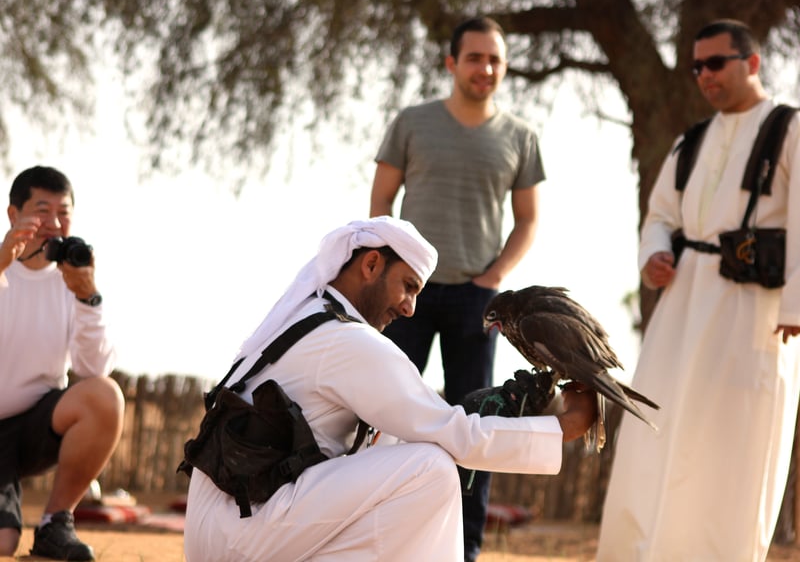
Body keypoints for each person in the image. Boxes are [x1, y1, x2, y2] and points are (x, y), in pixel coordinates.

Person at [183, 216, 597, 562]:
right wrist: (565, 427)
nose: (409, 308)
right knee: (429, 468)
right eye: (409, 286)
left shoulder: (311, 316)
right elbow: (456, 436)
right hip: (239, 534)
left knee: (396, 450)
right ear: (371, 265)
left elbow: (407, 430)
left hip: (226, 527)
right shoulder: (346, 341)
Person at [596, 19, 800, 561]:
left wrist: (796, 301)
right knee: (657, 431)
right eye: (696, 67)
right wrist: (655, 255)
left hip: (756, 306)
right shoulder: (691, 141)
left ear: (751, 62)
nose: (704, 75)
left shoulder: (790, 129)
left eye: (715, 63)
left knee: (738, 439)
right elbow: (659, 214)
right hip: (682, 303)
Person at [369, 15, 545, 561]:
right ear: (451, 63)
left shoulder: (521, 137)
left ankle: (463, 550)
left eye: (495, 59)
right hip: (407, 296)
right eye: (474, 57)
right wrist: (390, 274)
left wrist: (493, 279)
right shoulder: (412, 122)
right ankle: (377, 538)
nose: (485, 68)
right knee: (381, 416)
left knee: (478, 425)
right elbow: (379, 205)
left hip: (477, 298)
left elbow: (528, 221)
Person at [0, 166, 124, 561]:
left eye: (63, 213)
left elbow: (93, 371)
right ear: (13, 215)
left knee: (104, 396)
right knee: (2, 544)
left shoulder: (72, 279)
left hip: (32, 428)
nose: (54, 223)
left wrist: (88, 299)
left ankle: (55, 522)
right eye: (42, 210)